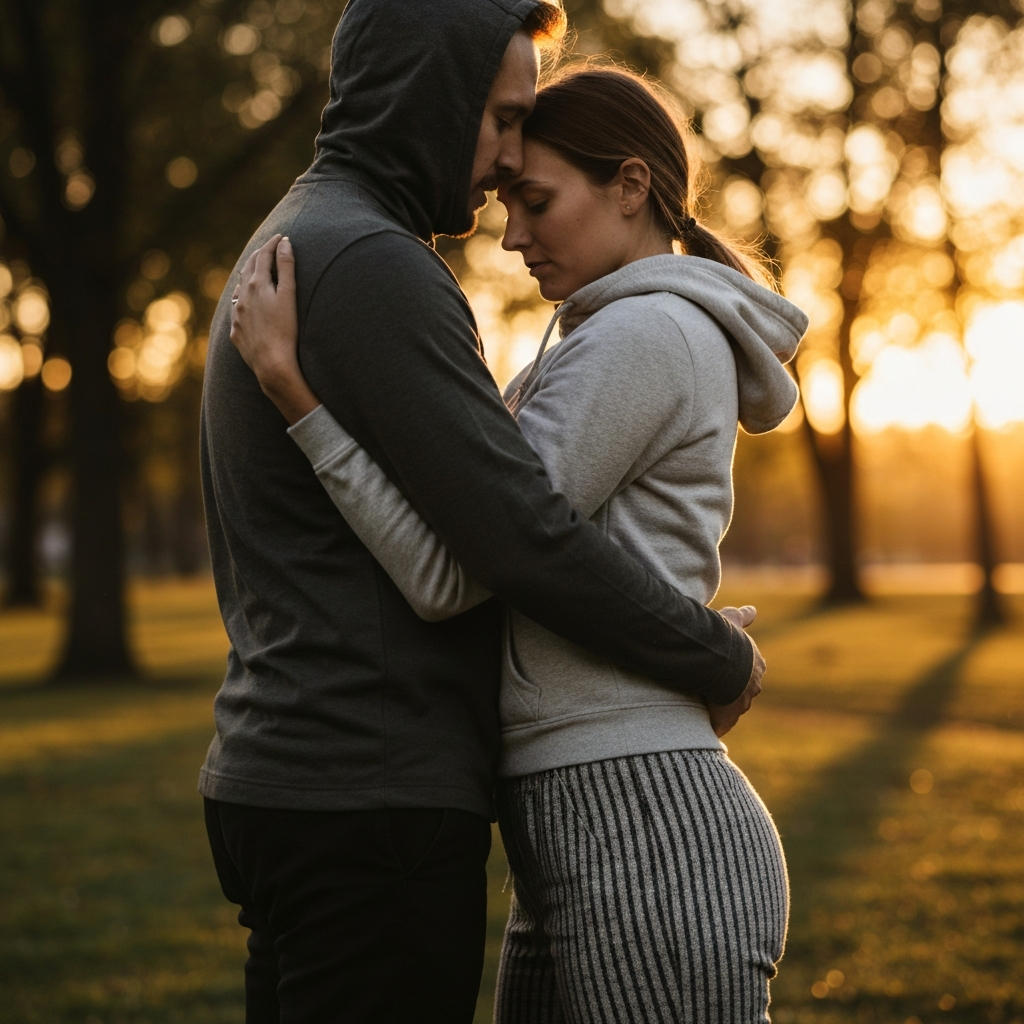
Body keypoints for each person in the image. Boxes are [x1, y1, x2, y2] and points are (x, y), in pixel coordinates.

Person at [229, 65, 806, 1024]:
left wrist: (299, 400)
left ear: (629, 187)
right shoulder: (591, 339)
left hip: (643, 817)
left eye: (534, 201)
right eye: (505, 200)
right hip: (584, 816)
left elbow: (452, 571)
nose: (510, 233)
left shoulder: (649, 335)